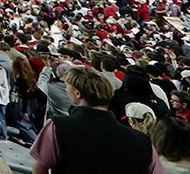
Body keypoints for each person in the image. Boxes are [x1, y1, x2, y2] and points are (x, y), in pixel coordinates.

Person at [30, 65, 165, 174]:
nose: (66, 90)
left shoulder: (57, 126)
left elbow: (39, 168)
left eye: (67, 87)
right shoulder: (142, 141)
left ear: (78, 93)